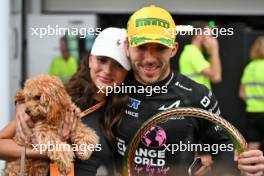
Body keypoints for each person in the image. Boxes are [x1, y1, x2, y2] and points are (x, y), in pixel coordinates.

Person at [112, 5, 264, 176]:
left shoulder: (197, 96)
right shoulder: (113, 89)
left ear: (173, 49)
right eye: (141, 47)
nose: (149, 58)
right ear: (127, 47)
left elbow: (223, 149)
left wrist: (244, 167)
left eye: (160, 48)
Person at [0, 27, 131, 176]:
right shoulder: (57, 99)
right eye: (102, 60)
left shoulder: (126, 112)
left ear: (127, 72)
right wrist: (51, 149)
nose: (108, 70)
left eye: (119, 65)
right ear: (90, 60)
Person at [179, 23, 222, 90]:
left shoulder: (195, 53)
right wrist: (214, 49)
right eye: (209, 36)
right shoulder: (192, 52)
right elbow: (216, 77)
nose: (211, 39)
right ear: (199, 35)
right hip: (195, 98)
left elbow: (215, 78)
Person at [239, 36, 264, 152]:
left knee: (253, 145)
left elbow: (241, 93)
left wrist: (252, 102)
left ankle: (248, 170)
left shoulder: (249, 67)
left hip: (252, 112)